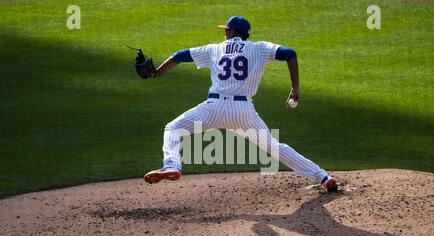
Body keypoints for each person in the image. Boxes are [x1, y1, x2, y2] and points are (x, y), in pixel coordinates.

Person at [144, 16, 338, 192]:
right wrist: (295, 87)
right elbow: (290, 53)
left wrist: (157, 72)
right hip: (243, 112)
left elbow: (179, 55)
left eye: (227, 30)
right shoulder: (258, 48)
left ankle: (171, 165)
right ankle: (322, 176)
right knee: (273, 147)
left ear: (233, 32)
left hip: (212, 108)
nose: (225, 32)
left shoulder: (214, 49)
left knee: (173, 128)